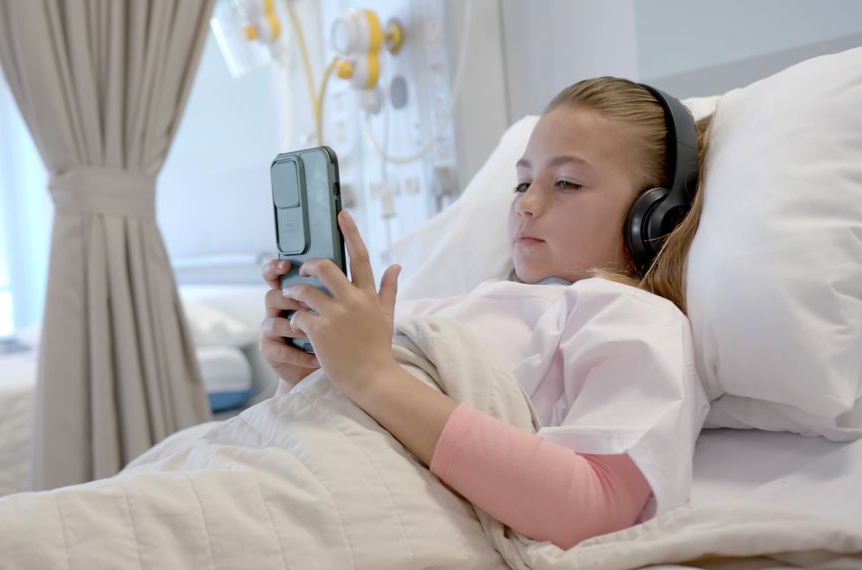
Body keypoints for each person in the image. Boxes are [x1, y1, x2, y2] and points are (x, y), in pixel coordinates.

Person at [259, 77, 713, 549]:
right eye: (522, 182)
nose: (527, 204)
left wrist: (373, 376)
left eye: (566, 183)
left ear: (654, 217)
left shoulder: (629, 317)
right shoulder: (453, 306)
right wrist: (302, 372)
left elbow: (594, 506)